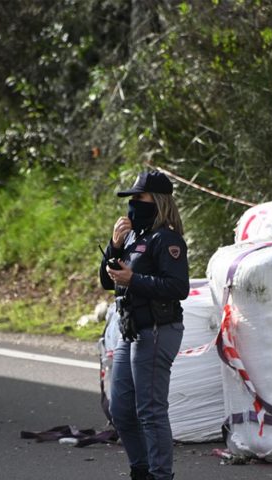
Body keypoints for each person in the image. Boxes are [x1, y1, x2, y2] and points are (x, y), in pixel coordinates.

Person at [99, 171, 189, 480]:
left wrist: (133, 279)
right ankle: (142, 469)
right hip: (131, 330)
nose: (133, 205)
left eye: (139, 198)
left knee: (150, 411)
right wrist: (113, 246)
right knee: (121, 410)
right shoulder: (134, 237)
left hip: (157, 330)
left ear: (159, 202)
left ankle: (159, 475)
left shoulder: (167, 239)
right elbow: (106, 281)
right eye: (131, 199)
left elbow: (179, 287)